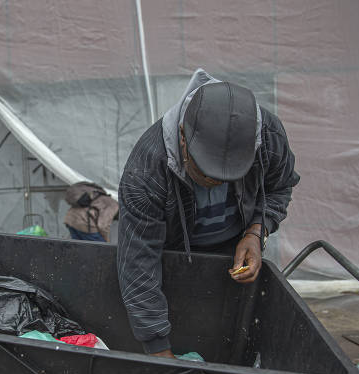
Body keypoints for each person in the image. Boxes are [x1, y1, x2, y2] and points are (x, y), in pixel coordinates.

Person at [117, 69, 300, 358]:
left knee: (226, 339)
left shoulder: (267, 135)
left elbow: (279, 187)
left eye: (231, 174)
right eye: (207, 171)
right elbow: (138, 264)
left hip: (232, 250)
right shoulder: (146, 172)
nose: (218, 182)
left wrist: (256, 232)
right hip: (174, 258)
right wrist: (159, 351)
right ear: (182, 139)